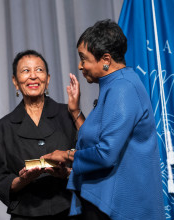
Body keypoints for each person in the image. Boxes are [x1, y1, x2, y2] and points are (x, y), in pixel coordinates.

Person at [43, 19, 164, 220]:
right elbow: (97, 142)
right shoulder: (113, 86)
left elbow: (106, 153)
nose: (81, 66)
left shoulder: (123, 88)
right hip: (104, 203)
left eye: (84, 59)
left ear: (105, 59)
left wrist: (66, 155)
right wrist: (75, 112)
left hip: (120, 209)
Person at [0, 49, 84, 220]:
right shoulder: (3, 127)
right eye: (26, 71)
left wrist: (67, 173)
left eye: (39, 70)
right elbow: (1, 179)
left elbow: (91, 156)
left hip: (69, 209)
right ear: (15, 81)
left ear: (48, 79)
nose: (33, 76)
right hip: (26, 213)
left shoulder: (68, 114)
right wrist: (23, 180)